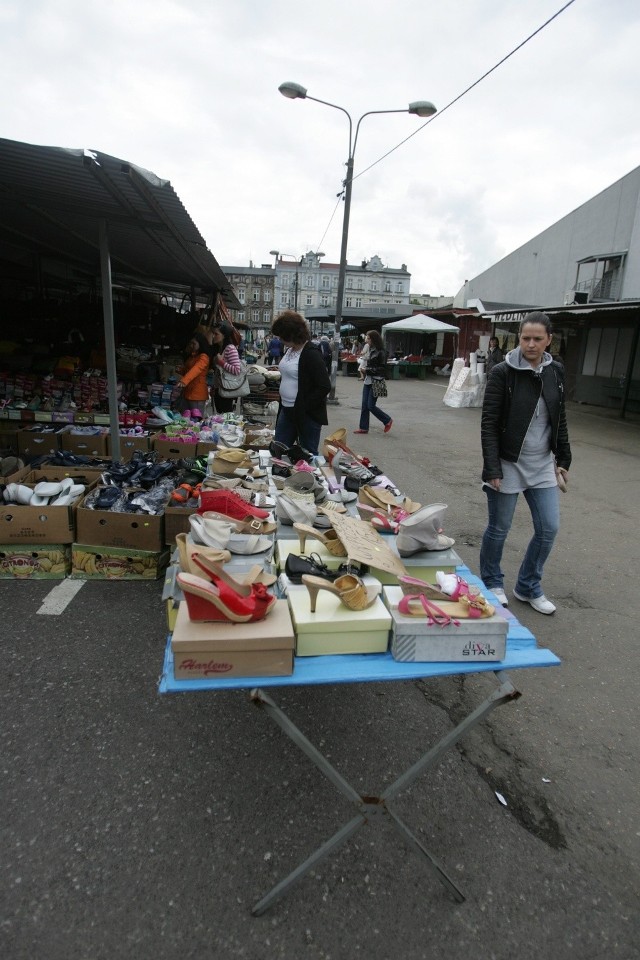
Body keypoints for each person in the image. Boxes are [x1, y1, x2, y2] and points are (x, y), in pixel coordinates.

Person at [479, 312, 571, 615]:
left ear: (549, 340)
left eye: (537, 339)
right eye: (525, 338)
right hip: (508, 463)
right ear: (519, 338)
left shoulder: (555, 371)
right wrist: (492, 467)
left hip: (542, 463)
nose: (530, 344)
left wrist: (563, 458)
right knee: (499, 527)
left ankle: (528, 586)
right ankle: (492, 582)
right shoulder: (503, 372)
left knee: (549, 528)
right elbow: (489, 422)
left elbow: (560, 418)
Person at [271, 310, 330, 456]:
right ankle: (282, 477)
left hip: (306, 414)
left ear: (291, 334)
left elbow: (324, 386)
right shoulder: (290, 350)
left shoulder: (311, 353)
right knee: (279, 449)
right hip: (286, 409)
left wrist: (304, 406)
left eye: (281, 336)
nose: (280, 339)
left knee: (307, 455)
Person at [354, 330, 392, 435]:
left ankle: (387, 420)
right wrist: (366, 369)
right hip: (368, 380)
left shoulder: (381, 351)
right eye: (367, 338)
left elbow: (382, 369)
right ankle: (363, 427)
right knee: (364, 405)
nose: (367, 340)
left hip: (377, 380)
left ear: (374, 339)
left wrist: (367, 370)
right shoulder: (371, 349)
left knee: (371, 405)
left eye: (369, 338)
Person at [172, 332, 210, 415]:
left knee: (196, 420)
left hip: (197, 393)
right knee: (185, 418)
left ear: (200, 344)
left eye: (194, 343)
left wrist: (183, 381)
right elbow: (188, 371)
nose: (191, 345)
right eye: (190, 343)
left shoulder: (203, 357)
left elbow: (196, 370)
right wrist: (181, 370)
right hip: (188, 391)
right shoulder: (192, 356)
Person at [210, 320, 243, 414]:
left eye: (216, 334)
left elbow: (237, 370)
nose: (213, 336)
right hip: (219, 389)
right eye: (213, 333)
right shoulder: (219, 348)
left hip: (227, 390)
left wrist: (221, 362)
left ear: (224, 335)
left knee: (226, 417)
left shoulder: (230, 348)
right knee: (220, 416)